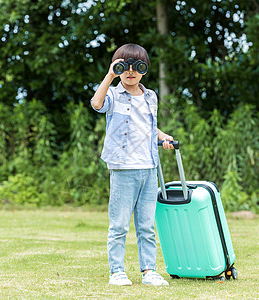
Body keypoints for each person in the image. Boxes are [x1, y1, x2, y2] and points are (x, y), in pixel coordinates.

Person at [90, 43, 174, 286]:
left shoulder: (150, 96)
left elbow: (147, 125)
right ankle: (117, 271)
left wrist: (163, 137)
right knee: (119, 226)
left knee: (146, 226)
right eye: (123, 66)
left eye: (137, 66)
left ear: (144, 70)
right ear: (118, 68)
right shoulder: (114, 95)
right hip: (123, 167)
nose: (130, 71)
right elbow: (97, 104)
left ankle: (149, 271)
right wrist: (109, 75)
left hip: (149, 167)